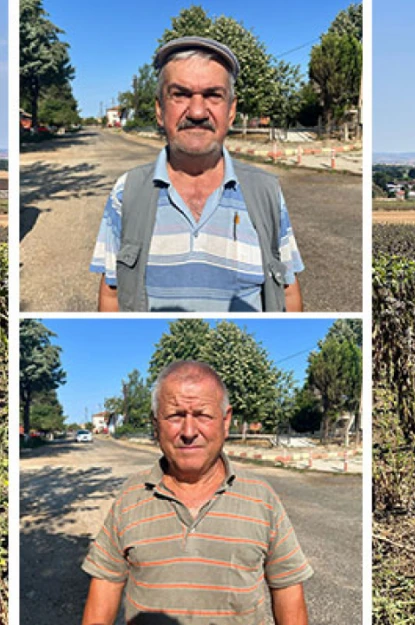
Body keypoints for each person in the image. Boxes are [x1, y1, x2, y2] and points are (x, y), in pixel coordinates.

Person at [81, 361, 312, 625]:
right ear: (156, 424)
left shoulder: (262, 498)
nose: (189, 432)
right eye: (175, 416)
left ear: (225, 421)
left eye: (203, 415)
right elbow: (105, 584)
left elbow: (287, 588)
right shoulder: (131, 497)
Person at [89, 36, 305, 312]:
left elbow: (287, 290)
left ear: (231, 110)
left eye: (213, 95)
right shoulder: (126, 192)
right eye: (180, 94)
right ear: (159, 109)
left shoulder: (266, 192)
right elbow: (111, 293)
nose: (198, 111)